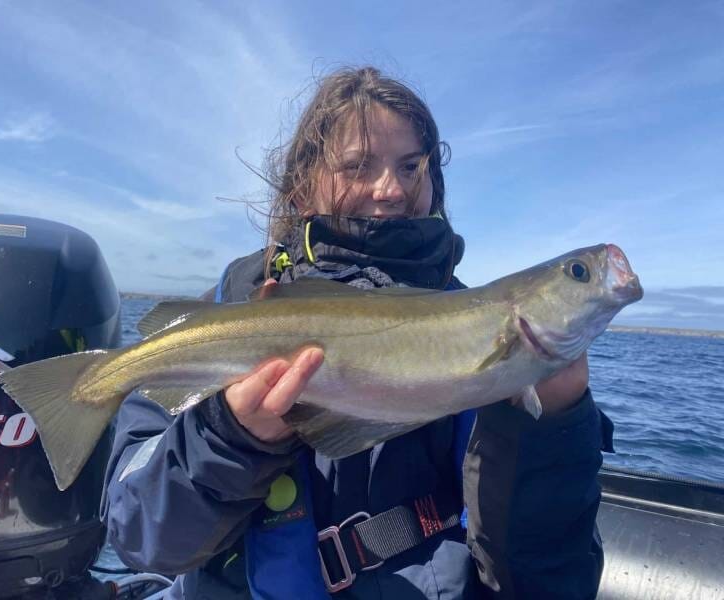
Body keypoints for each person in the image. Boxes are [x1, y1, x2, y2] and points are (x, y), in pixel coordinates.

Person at [102, 66, 613, 599]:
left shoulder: (478, 328)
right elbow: (141, 537)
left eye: (411, 166)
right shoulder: (228, 312)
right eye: (358, 166)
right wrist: (229, 437)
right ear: (303, 186)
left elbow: (549, 584)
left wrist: (552, 426)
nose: (390, 189)